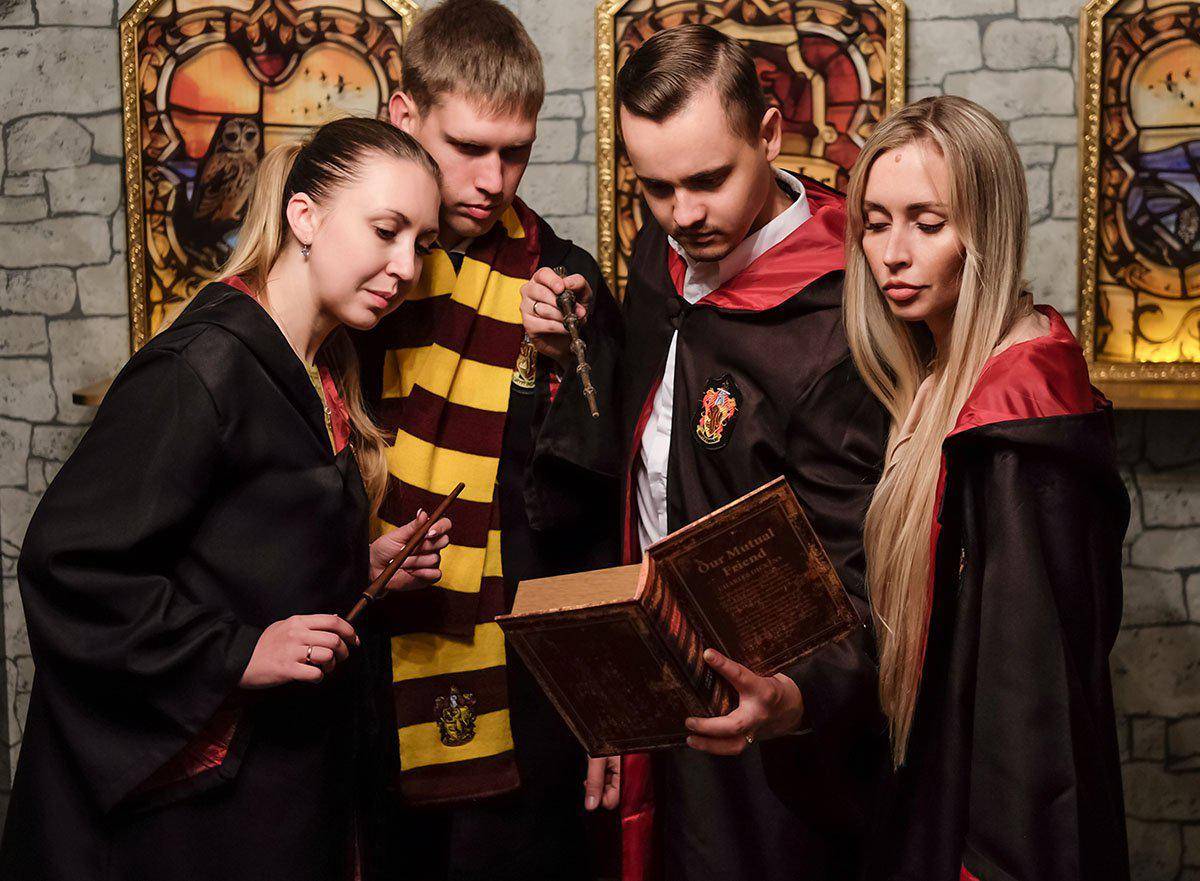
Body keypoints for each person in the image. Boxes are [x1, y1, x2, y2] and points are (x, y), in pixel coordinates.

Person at [0, 117, 453, 881]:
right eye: (386, 231)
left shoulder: (321, 366)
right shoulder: (201, 368)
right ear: (304, 217)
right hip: (188, 810)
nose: (406, 265)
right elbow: (67, 565)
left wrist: (360, 562)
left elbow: (243, 548)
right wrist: (238, 652)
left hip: (279, 790)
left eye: (423, 243)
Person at [523, 23, 888, 881]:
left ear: (770, 133)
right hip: (652, 679)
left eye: (709, 180)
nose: (683, 214)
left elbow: (873, 576)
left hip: (778, 732)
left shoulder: (842, 320)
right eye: (656, 187)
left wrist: (794, 697)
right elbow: (656, 439)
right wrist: (576, 343)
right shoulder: (662, 252)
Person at [352, 2, 623, 878]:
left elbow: (590, 517)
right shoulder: (349, 278)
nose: (493, 179)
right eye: (467, 147)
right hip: (364, 666)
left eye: (516, 152)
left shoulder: (561, 278)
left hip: (525, 688)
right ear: (404, 116)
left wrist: (558, 361)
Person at [842, 96, 1130, 881]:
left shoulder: (1017, 425)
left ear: (986, 233)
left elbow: (1030, 719)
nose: (892, 253)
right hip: (929, 802)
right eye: (875, 222)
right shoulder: (941, 379)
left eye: (927, 223)